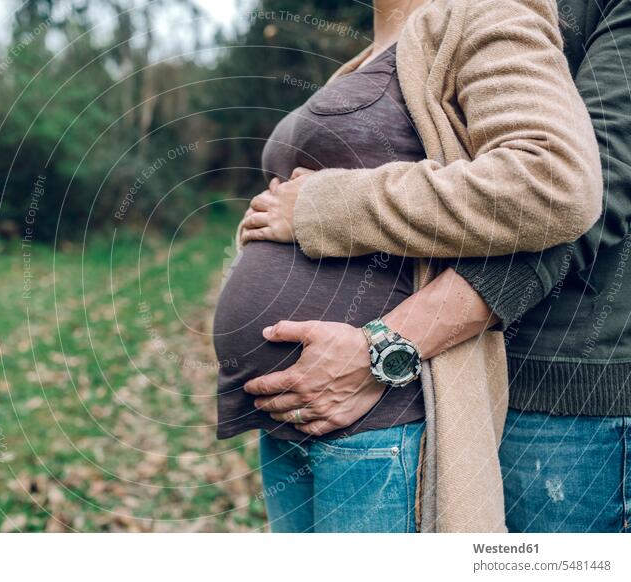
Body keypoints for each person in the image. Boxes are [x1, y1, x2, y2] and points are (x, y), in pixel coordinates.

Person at [240, 0, 631, 532]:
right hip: (400, 379)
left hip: (560, 392)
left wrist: (386, 347)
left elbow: (583, 194)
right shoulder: (403, 39)